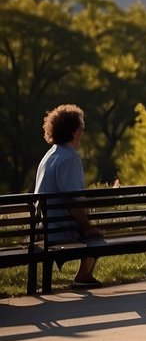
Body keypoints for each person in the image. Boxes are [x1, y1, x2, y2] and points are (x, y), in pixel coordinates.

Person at [34, 104, 104, 289]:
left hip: (43, 227)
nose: (83, 131)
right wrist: (88, 229)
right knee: (96, 238)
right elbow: (74, 201)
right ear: (74, 132)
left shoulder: (49, 156)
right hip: (60, 229)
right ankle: (83, 276)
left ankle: (83, 276)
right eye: (82, 127)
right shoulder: (70, 158)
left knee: (92, 234)